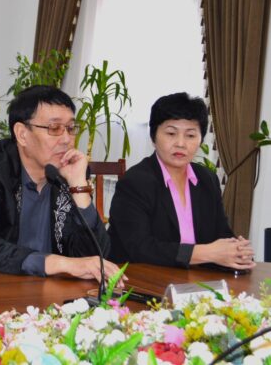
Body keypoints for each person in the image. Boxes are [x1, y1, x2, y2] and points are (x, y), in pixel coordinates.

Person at [0, 85, 123, 285]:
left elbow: (96, 256)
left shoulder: (70, 173)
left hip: (51, 290)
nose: (66, 139)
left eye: (71, 128)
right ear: (22, 134)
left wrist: (79, 188)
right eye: (54, 128)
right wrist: (62, 264)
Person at [108, 93, 255, 270]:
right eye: (171, 133)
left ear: (201, 139)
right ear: (154, 136)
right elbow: (140, 248)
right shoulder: (134, 182)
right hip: (140, 277)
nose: (180, 143)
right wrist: (207, 253)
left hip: (194, 279)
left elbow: (221, 234)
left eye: (190, 135)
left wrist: (237, 250)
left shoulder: (207, 179)